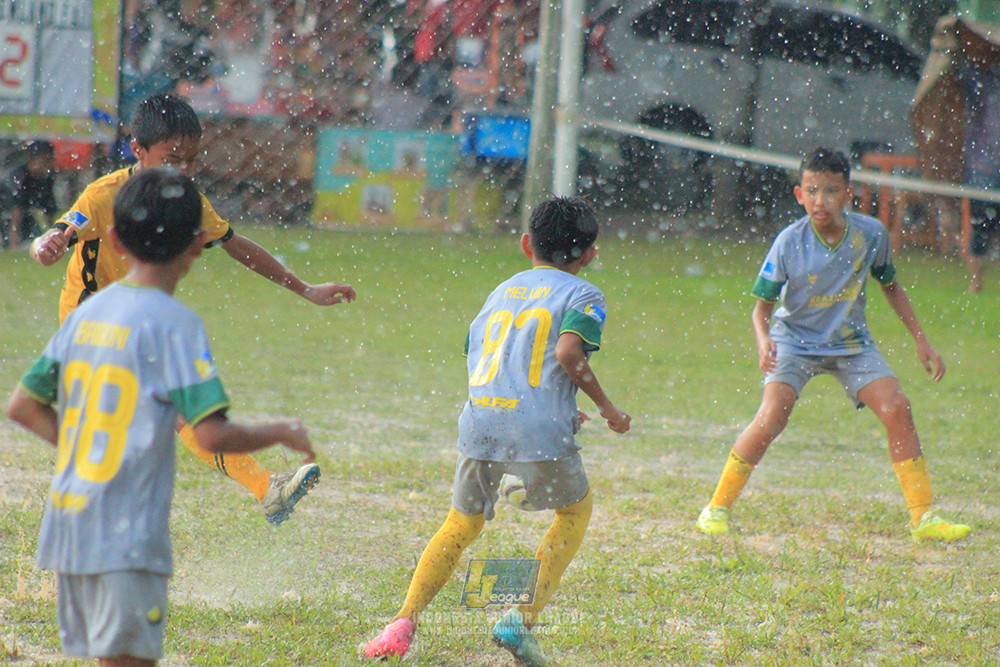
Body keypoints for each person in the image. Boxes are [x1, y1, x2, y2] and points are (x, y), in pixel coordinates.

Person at [7, 168, 317, 666]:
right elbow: (211, 433)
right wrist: (281, 430)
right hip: (126, 535)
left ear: (114, 240)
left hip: (67, 529)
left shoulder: (88, 313)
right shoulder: (176, 325)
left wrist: (87, 448)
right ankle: (267, 488)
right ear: (197, 244)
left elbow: (22, 406)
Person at [28, 94, 356, 526]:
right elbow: (58, 234)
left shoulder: (186, 201)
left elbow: (236, 245)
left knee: (168, 414)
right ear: (137, 149)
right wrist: (43, 246)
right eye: (172, 158)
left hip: (142, 321)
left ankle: (260, 490)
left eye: (190, 160)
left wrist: (305, 288)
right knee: (173, 412)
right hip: (92, 323)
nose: (181, 171)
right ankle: (259, 489)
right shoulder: (101, 196)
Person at [364, 197, 631, 665]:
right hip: (537, 430)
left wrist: (539, 403)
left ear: (527, 244)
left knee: (461, 524)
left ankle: (401, 623)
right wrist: (607, 407)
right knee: (574, 513)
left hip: (481, 419)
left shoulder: (501, 291)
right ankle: (519, 619)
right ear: (589, 254)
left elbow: (481, 350)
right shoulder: (583, 294)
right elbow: (569, 355)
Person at [696, 148, 971, 543]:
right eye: (812, 191)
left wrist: (921, 341)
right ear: (799, 194)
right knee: (773, 415)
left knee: (898, 407)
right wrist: (763, 340)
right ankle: (716, 507)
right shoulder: (788, 242)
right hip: (793, 343)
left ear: (848, 194)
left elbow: (891, 286)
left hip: (851, 344)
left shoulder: (870, 235)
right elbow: (761, 311)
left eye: (830, 191)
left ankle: (924, 517)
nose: (820, 200)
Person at [958, 60, 1000, 293]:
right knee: (981, 227)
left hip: (985, 169)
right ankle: (976, 281)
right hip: (983, 169)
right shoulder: (981, 84)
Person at [2, 140, 58, 250]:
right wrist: (14, 244)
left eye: (50, 161)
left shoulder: (46, 178)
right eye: (44, 162)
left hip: (26, 216)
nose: (47, 167)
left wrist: (52, 238)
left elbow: (49, 209)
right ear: (31, 161)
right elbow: (16, 211)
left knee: (34, 233)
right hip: (5, 212)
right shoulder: (20, 177)